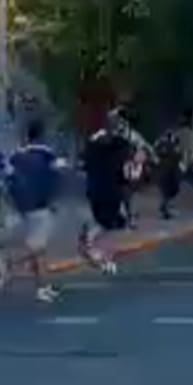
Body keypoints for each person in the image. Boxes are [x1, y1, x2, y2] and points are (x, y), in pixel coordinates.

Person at [7, 118, 62, 304]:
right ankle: (39, 286)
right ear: (42, 135)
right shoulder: (47, 155)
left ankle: (42, 284)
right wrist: (54, 201)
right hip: (41, 206)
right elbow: (56, 179)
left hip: (22, 206)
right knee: (39, 250)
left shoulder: (16, 156)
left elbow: (9, 180)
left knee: (37, 247)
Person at [79, 110, 131, 272]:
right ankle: (91, 242)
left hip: (95, 187)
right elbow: (123, 166)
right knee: (111, 223)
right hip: (111, 188)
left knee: (108, 222)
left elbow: (84, 163)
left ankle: (103, 257)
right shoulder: (121, 143)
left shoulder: (93, 142)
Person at [153, 128, 183, 220]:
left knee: (168, 191)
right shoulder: (170, 145)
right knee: (169, 190)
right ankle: (164, 208)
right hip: (169, 171)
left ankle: (165, 207)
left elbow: (156, 154)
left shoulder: (161, 144)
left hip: (165, 171)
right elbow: (178, 156)